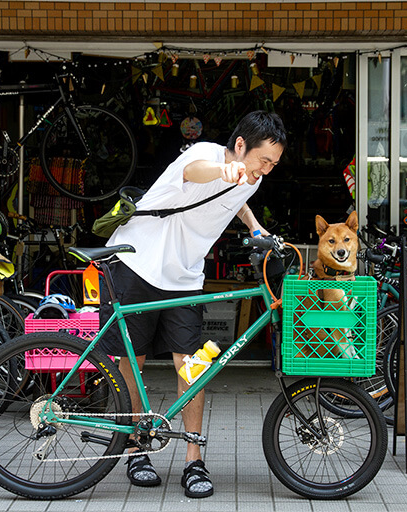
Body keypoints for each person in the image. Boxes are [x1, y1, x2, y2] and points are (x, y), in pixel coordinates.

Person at [99, 110, 286, 499]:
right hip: (137, 262)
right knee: (133, 361)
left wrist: (254, 226)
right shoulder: (204, 153)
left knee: (194, 364)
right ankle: (136, 447)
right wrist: (224, 172)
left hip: (185, 277)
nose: (265, 171)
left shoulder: (248, 179)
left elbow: (235, 198)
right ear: (239, 146)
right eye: (262, 160)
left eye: (273, 164)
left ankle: (193, 458)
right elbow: (196, 172)